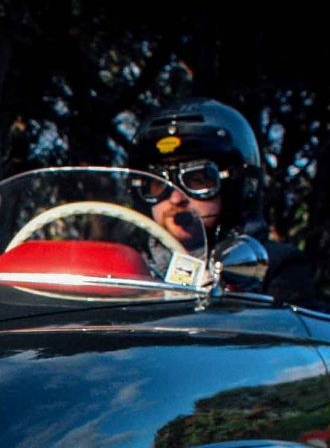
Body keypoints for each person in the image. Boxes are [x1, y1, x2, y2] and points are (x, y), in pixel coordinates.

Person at [129, 97, 317, 302]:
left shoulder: (273, 265)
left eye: (198, 179)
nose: (175, 198)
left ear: (234, 186)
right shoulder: (128, 265)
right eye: (157, 184)